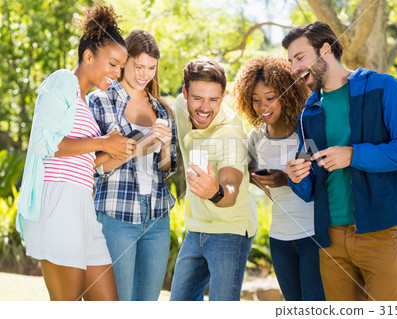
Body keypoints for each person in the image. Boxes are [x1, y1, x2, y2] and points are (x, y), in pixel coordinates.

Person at [283, 21, 397, 301]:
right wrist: (297, 176)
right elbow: (310, 181)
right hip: (330, 239)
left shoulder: (383, 87)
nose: (294, 68)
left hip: (378, 231)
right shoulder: (308, 113)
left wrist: (353, 155)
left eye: (299, 58)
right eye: (290, 61)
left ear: (325, 50)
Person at [16, 3, 135, 301]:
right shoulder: (62, 81)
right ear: (88, 56)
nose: (117, 72)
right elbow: (47, 145)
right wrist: (104, 142)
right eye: (112, 64)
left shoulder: (84, 101)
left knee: (107, 304)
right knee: (66, 305)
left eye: (121, 67)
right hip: (58, 201)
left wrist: (116, 152)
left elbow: (83, 161)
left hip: (83, 204)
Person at [88, 30, 177, 301]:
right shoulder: (100, 100)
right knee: (118, 301)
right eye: (138, 66)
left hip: (157, 216)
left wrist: (164, 144)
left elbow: (166, 169)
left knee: (148, 302)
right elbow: (94, 165)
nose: (143, 74)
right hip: (116, 215)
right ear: (125, 61)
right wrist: (138, 145)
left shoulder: (161, 109)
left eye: (151, 68)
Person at [233, 55, 325, 301]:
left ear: (288, 94)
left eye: (270, 98)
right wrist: (261, 179)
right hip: (280, 239)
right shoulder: (256, 138)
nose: (263, 106)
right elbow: (250, 171)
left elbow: (322, 181)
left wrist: (285, 179)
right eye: (256, 100)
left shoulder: (305, 133)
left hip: (313, 235)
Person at [169, 59, 258, 301]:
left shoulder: (231, 134)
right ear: (185, 93)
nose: (205, 108)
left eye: (214, 99)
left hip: (230, 230)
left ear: (223, 96)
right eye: (197, 98)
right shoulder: (180, 105)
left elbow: (230, 187)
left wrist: (215, 192)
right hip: (196, 228)